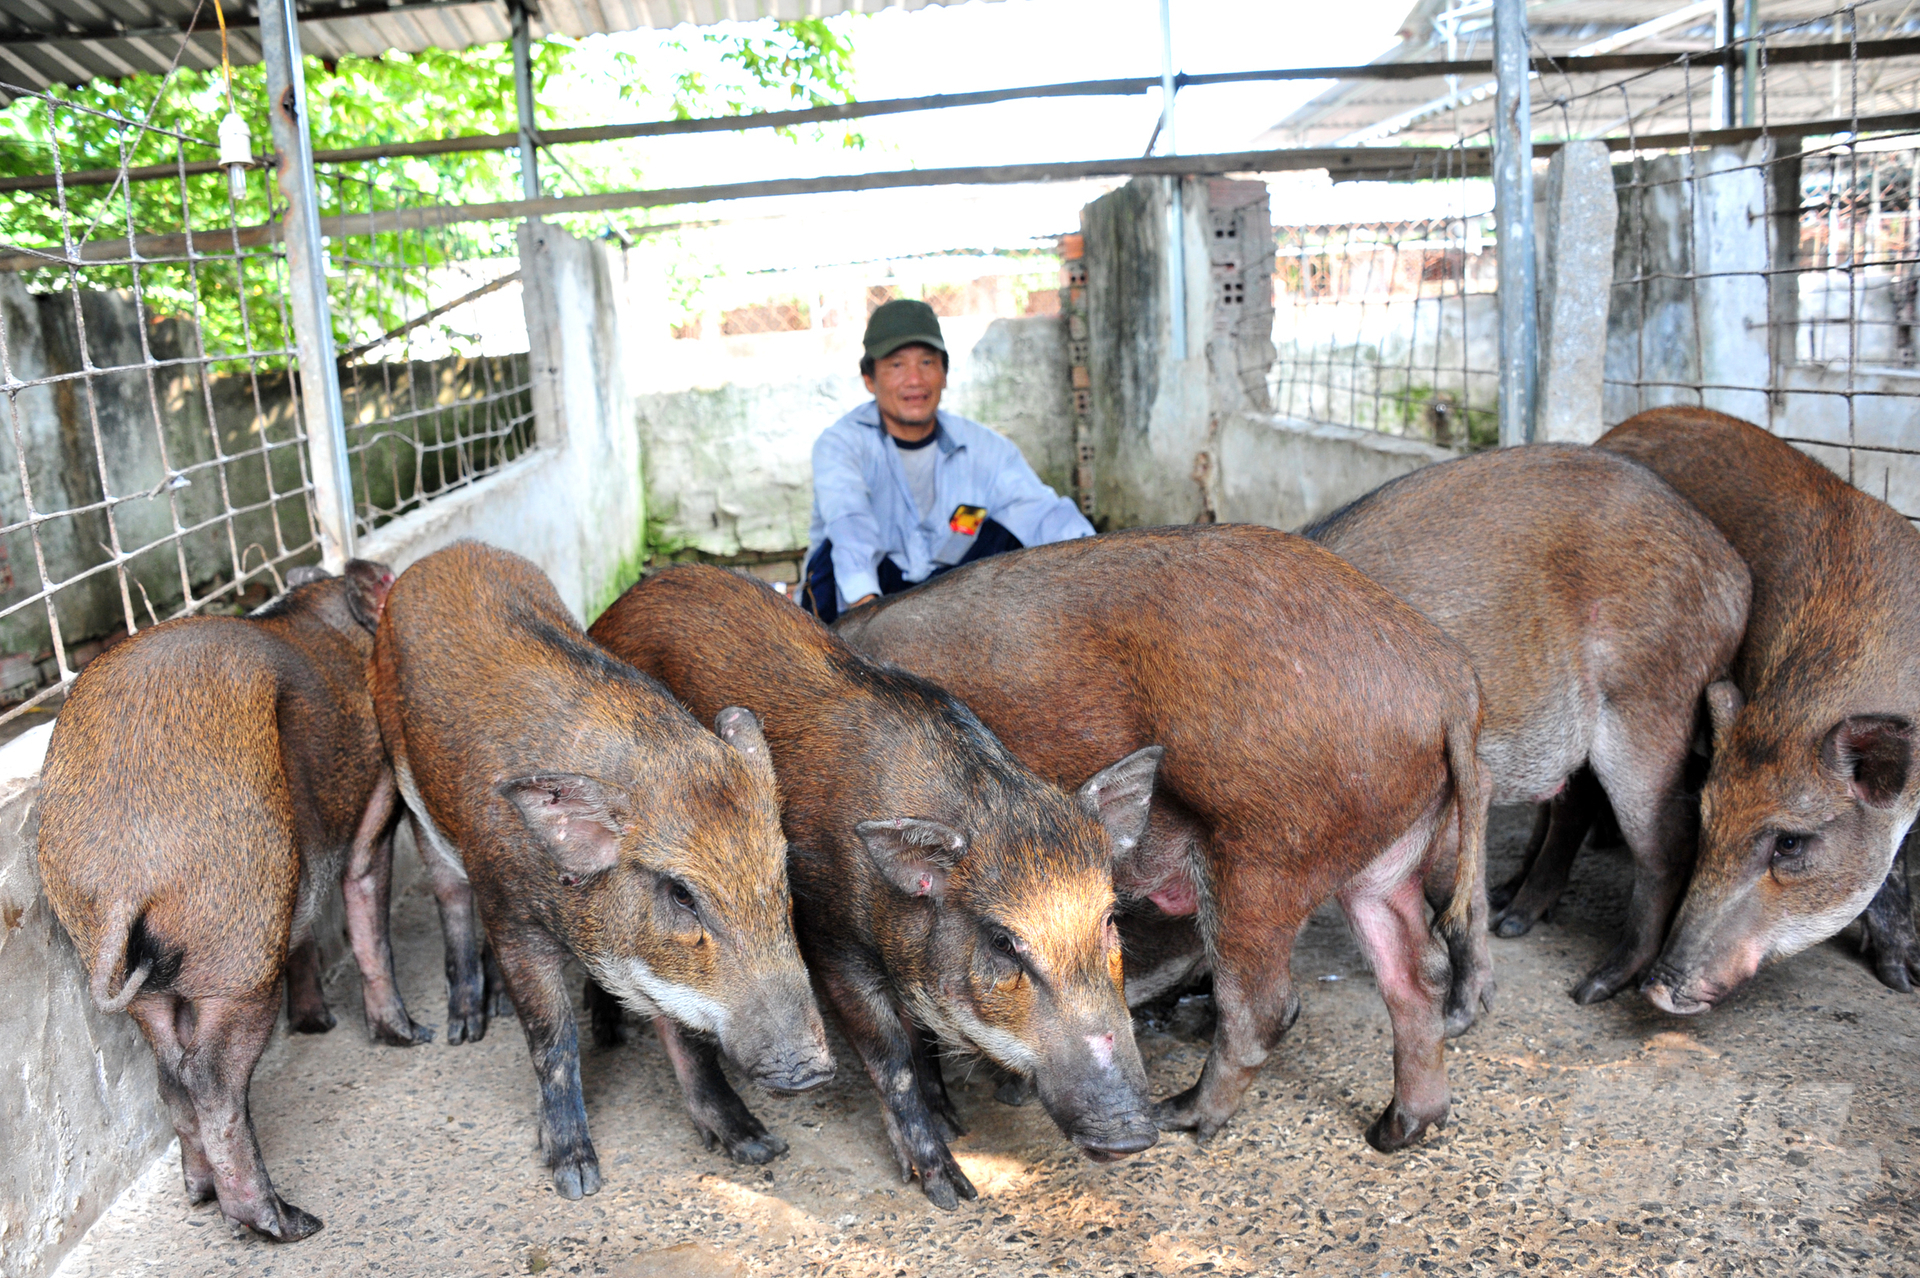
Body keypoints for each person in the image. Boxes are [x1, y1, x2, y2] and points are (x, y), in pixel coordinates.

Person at [802, 299, 1094, 622]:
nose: (915, 379)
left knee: (1007, 534)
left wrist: (1100, 569)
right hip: (866, 598)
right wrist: (870, 624)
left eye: (927, 362)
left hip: (946, 599)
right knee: (831, 559)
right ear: (869, 378)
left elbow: (1044, 516)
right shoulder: (841, 445)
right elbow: (851, 526)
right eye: (897, 365)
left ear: (945, 373)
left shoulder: (986, 449)